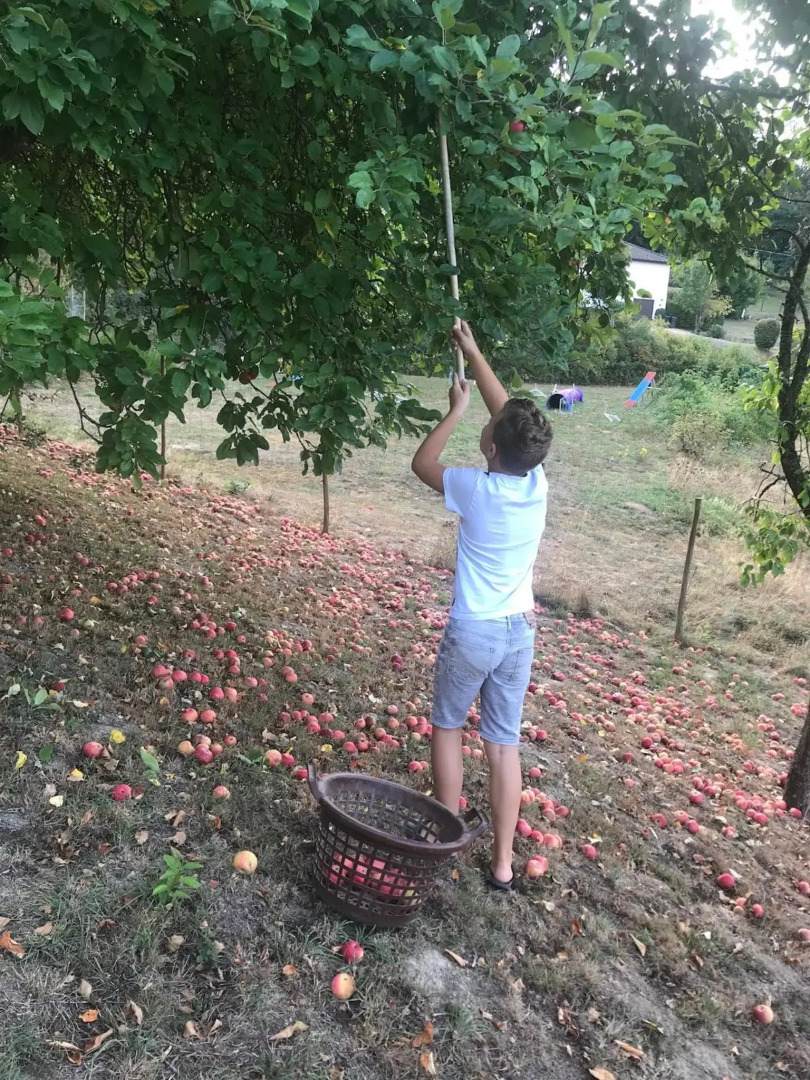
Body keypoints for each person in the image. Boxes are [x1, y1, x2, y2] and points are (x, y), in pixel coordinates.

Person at [411, 320, 553, 891]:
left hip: (473, 631)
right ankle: (501, 863)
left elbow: (422, 464)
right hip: (519, 631)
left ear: (492, 444)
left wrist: (455, 409)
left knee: (446, 727)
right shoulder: (535, 481)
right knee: (503, 744)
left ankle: (445, 841)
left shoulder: (475, 487)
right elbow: (513, 417)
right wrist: (473, 347)